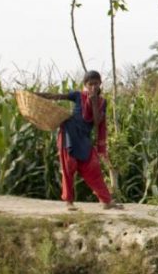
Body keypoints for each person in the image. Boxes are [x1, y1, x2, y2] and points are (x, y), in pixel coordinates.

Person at [35, 71, 123, 211]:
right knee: (68, 167)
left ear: (100, 83)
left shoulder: (101, 102)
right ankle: (69, 202)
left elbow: (96, 121)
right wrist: (37, 95)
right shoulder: (78, 96)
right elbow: (57, 96)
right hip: (69, 135)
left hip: (84, 138)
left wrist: (93, 101)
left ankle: (106, 201)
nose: (93, 86)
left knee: (93, 168)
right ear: (85, 85)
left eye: (96, 83)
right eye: (90, 84)